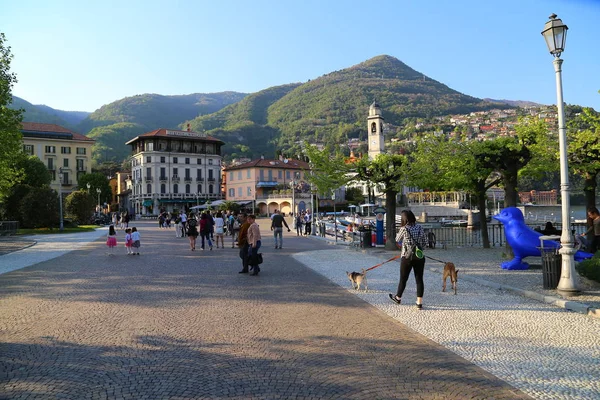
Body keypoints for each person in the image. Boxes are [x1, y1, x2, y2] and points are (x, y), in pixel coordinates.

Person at [389, 210, 428, 309]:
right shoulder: (419, 227)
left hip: (407, 257)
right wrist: (419, 249)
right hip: (419, 257)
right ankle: (419, 302)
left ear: (404, 219)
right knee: (419, 279)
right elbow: (425, 242)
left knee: (403, 279)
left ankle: (398, 297)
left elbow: (397, 239)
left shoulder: (404, 228)